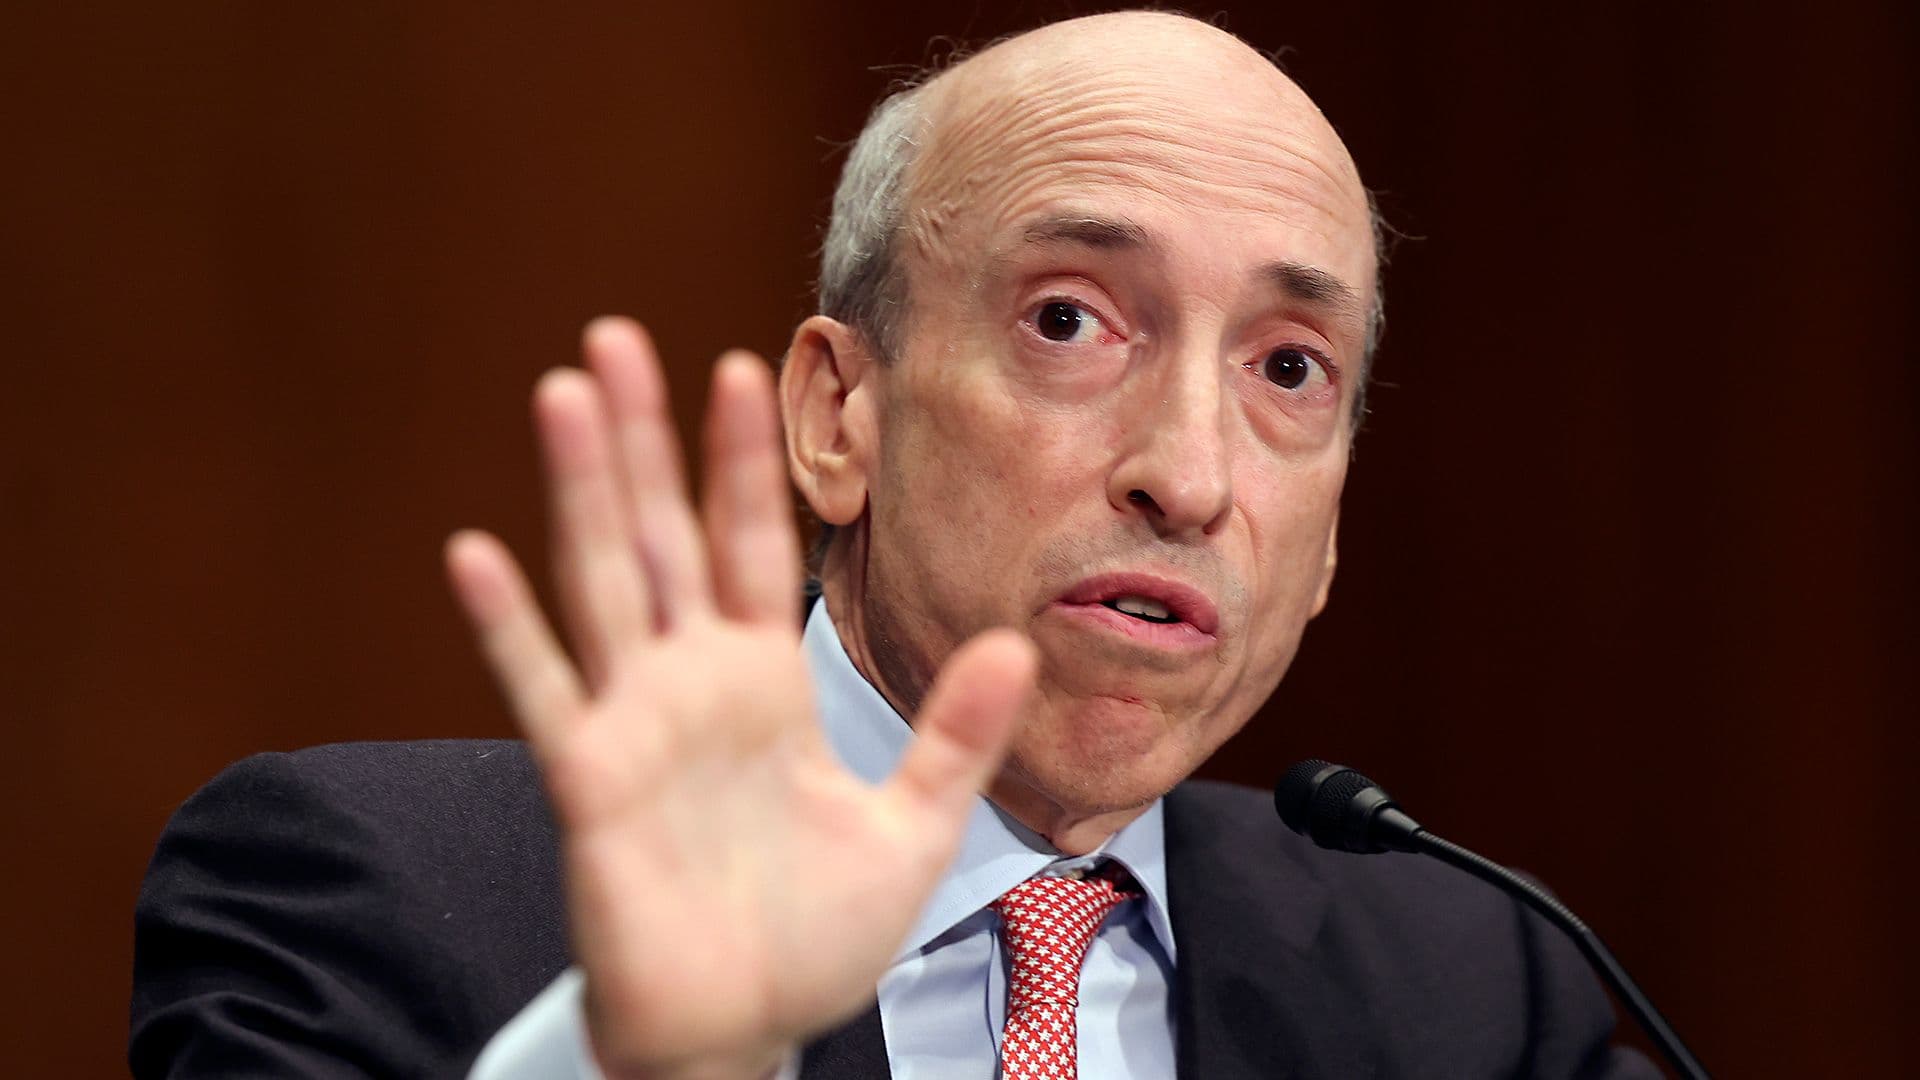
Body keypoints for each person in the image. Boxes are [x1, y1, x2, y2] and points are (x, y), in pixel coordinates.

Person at [131, 11, 1658, 1079]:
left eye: (1289, 369)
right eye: (1070, 321)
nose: (1190, 477)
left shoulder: (1468, 990)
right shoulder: (369, 896)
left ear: (1327, 539)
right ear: (836, 416)